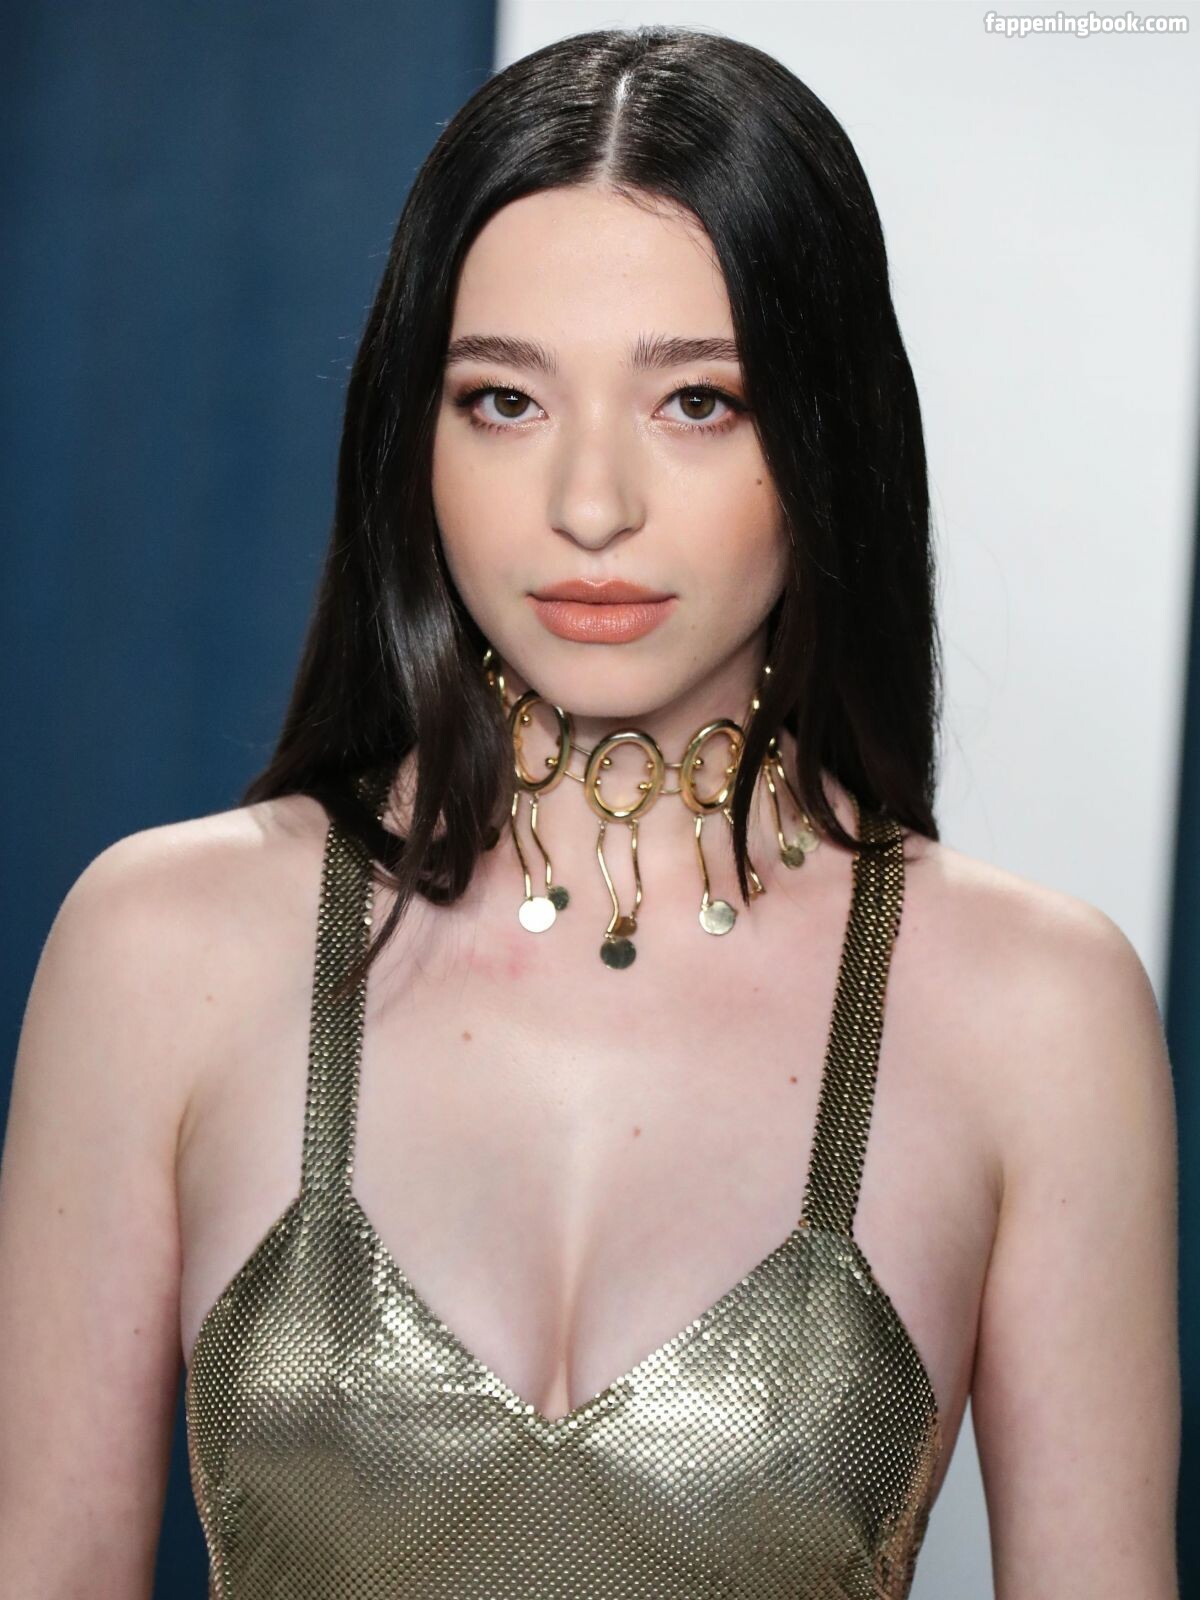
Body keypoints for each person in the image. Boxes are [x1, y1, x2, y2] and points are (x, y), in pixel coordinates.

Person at [0, 22, 1180, 1600]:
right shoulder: (162, 951)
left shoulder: (1033, 1012)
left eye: (699, 402)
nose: (590, 504)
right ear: (411, 435)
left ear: (825, 434)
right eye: (504, 400)